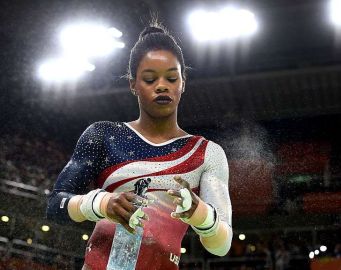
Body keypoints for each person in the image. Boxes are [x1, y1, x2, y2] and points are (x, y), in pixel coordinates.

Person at [46, 22, 232, 270]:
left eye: (171, 77)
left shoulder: (206, 153)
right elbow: (55, 205)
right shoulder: (104, 135)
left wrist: (200, 215)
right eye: (149, 78)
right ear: (133, 84)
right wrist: (101, 204)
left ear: (183, 83)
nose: (162, 85)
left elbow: (221, 245)